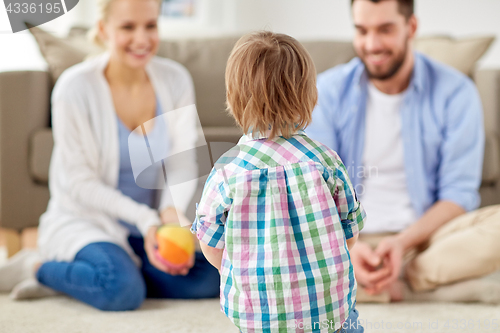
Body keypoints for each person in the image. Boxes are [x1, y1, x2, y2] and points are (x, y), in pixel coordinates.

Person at [0, 0, 219, 310]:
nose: (142, 39)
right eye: (128, 27)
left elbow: (183, 160)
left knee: (208, 279)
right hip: (89, 220)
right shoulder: (74, 87)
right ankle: (36, 267)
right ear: (103, 29)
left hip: (151, 227)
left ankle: (89, 276)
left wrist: (170, 213)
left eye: (150, 26)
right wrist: (147, 221)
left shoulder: (175, 79)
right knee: (121, 291)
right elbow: (79, 183)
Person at [307, 0, 500, 303]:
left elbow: (458, 194)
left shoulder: (456, 92)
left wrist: (401, 243)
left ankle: (382, 284)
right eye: (362, 30)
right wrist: (350, 248)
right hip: (349, 239)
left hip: (425, 238)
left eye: (385, 30)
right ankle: (422, 286)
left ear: (411, 27)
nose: (372, 44)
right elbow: (315, 190)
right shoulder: (327, 92)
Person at [192, 31, 366, 333]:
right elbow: (349, 235)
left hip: (258, 316)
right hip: (328, 311)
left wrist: (243, 270)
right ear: (309, 96)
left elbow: (210, 242)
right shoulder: (326, 161)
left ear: (234, 98)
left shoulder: (228, 170)